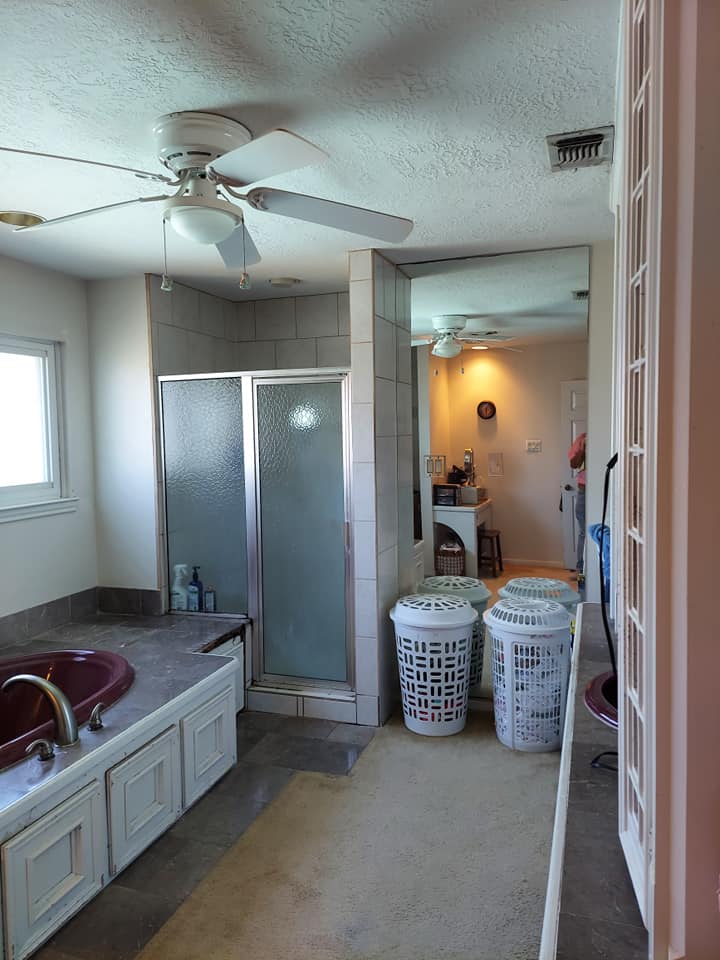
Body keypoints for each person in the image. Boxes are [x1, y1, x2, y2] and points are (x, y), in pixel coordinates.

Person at [568, 432, 587, 581]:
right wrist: (583, 449)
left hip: (603, 488)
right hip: (583, 490)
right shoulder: (582, 438)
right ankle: (581, 571)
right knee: (583, 531)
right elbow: (573, 464)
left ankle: (593, 570)